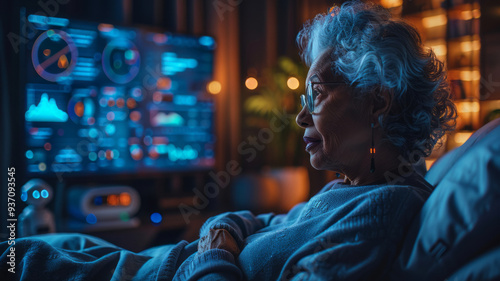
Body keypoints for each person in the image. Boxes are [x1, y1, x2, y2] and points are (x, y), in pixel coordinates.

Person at [0, 1, 456, 280]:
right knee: (41, 250)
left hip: (158, 269)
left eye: (317, 94)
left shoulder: (383, 207)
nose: (300, 116)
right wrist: (223, 233)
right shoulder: (350, 190)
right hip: (153, 262)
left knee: (25, 258)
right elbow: (256, 221)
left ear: (378, 100)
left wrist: (215, 251)